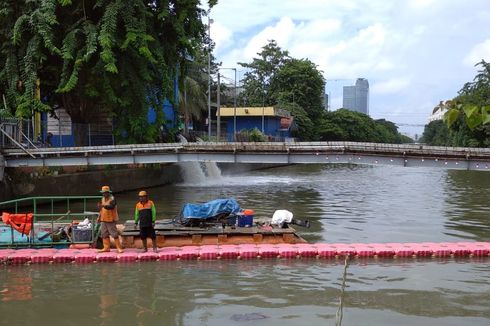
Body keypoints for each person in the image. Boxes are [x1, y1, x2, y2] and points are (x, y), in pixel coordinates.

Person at [97, 186, 124, 253]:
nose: (104, 194)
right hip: (104, 218)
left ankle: (119, 247)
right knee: (104, 234)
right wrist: (99, 217)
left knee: (114, 233)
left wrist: (103, 206)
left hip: (111, 219)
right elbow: (101, 209)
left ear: (108, 193)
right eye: (103, 193)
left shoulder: (112, 199)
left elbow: (111, 207)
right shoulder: (103, 199)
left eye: (105, 193)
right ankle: (106, 247)